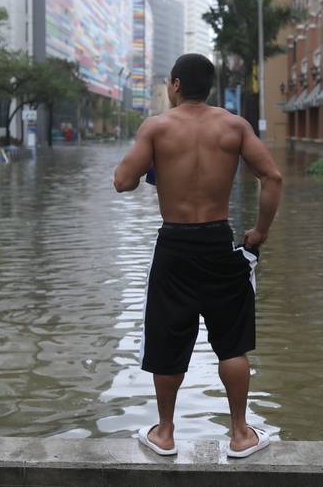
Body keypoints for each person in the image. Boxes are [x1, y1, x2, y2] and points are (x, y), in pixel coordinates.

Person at [113, 53, 283, 458]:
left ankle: (165, 434)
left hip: (174, 246)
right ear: (208, 87)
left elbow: (122, 181)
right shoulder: (234, 126)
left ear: (174, 85)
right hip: (218, 243)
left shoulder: (156, 128)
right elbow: (272, 177)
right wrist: (259, 232)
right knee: (231, 344)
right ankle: (241, 434)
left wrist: (151, 164)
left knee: (167, 339)